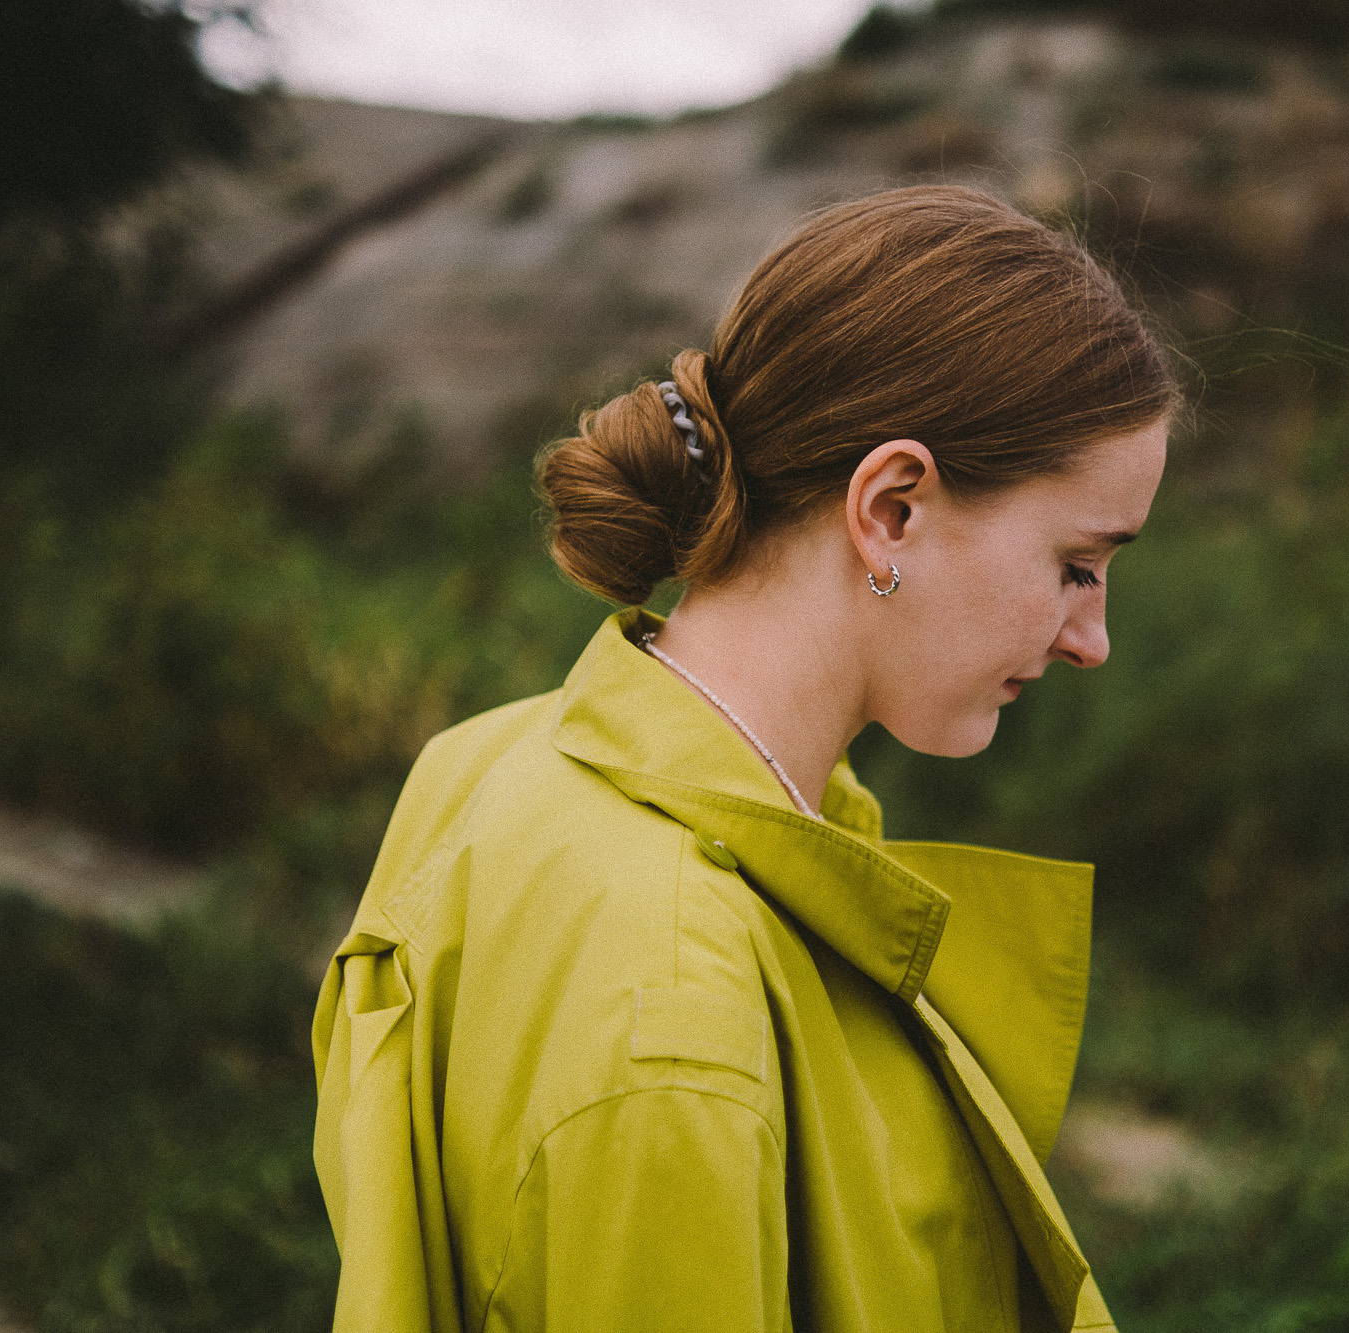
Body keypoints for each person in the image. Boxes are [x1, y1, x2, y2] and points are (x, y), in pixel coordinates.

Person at [312, 184, 1176, 1333]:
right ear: (893, 508)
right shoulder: (676, 1017)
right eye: (1076, 563)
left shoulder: (489, 758)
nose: (1091, 639)